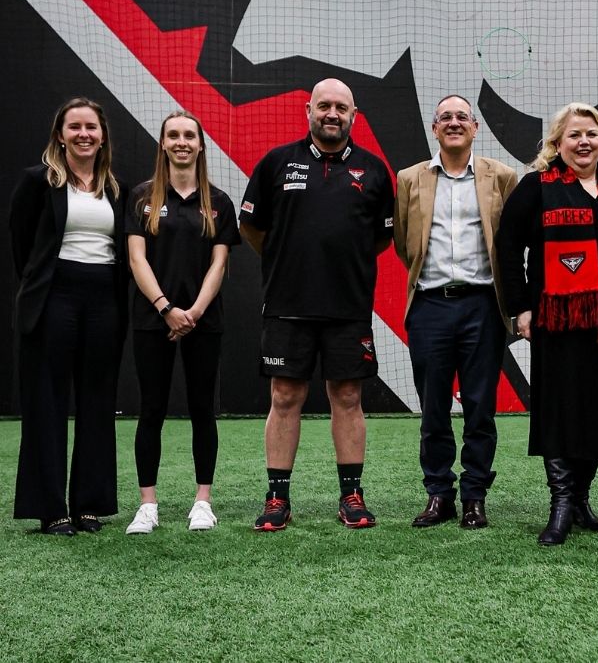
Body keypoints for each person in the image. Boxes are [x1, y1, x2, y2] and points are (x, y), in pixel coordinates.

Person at [239, 78, 395, 531]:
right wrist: (287, 259)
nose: (332, 114)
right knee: (284, 396)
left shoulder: (374, 171)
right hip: (287, 304)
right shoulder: (276, 162)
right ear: (308, 110)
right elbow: (252, 228)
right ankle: (277, 498)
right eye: (324, 105)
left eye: (341, 108)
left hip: (348, 307)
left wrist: (343, 264)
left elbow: (381, 238)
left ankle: (351, 495)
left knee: (347, 396)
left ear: (354, 115)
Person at [495, 102, 598, 546]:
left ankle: (580, 498)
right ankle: (560, 504)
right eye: (574, 135)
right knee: (561, 411)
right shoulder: (536, 187)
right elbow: (508, 248)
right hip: (558, 324)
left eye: (592, 135)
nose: (584, 142)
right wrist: (521, 308)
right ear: (556, 143)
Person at [394, 95, 518, 530]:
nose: (453, 122)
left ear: (474, 127)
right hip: (429, 306)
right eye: (445, 117)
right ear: (434, 128)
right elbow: (403, 243)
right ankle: (438, 494)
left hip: (483, 306)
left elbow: (510, 242)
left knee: (480, 408)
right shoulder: (409, 178)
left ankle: (474, 497)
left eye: (461, 116)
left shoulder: (502, 176)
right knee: (433, 408)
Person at [9, 97, 128, 535]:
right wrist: (43, 286)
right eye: (74, 127)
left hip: (104, 300)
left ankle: (89, 504)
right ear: (60, 135)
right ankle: (51, 508)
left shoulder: (115, 188)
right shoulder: (37, 182)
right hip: (53, 297)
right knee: (47, 401)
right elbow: (23, 246)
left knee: (97, 400)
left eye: (91, 127)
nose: (84, 135)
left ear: (103, 136)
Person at [123, 111, 241, 534]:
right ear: (163, 144)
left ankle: (203, 501)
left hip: (203, 322)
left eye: (189, 135)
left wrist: (193, 313)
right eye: (173, 135)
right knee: (151, 409)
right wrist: (165, 308)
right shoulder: (141, 197)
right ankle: (147, 505)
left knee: (202, 409)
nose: (181, 142)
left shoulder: (219, 202)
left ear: (200, 144)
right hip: (152, 320)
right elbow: (136, 259)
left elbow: (219, 264)